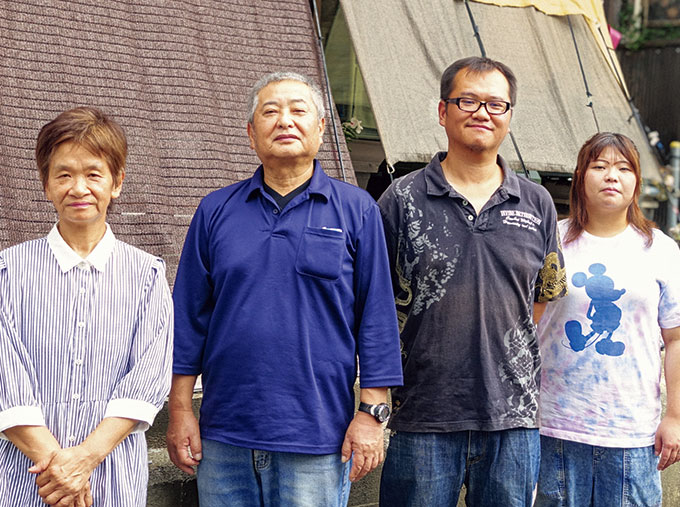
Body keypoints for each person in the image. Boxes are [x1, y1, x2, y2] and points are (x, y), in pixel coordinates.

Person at [167, 71, 403, 507]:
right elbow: (187, 319)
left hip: (317, 436)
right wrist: (180, 410)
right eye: (270, 111)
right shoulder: (215, 210)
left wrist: (371, 415)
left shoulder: (357, 211)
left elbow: (377, 319)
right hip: (224, 435)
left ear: (321, 128)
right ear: (250, 133)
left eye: (298, 110)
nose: (285, 120)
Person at [377, 56, 567, 506]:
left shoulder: (536, 202)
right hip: (422, 413)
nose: (482, 113)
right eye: (468, 101)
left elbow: (541, 296)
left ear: (508, 117)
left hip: (512, 417)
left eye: (496, 104)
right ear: (442, 111)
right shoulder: (401, 198)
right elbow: (375, 303)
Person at [0, 107, 173, 507]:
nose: (78, 188)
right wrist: (61, 470)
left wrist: (85, 459)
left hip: (112, 476)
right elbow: (5, 378)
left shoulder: (146, 275)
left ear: (117, 182)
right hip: (27, 479)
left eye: (93, 174)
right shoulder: (8, 272)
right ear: (46, 184)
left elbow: (148, 377)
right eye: (63, 175)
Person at [535, 132, 680, 506]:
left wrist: (675, 417)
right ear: (580, 177)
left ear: (637, 181)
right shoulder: (551, 240)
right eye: (599, 166)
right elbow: (526, 324)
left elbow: (676, 339)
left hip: (632, 432)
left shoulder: (660, 250)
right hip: (555, 426)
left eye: (624, 168)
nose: (611, 176)